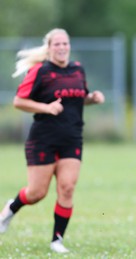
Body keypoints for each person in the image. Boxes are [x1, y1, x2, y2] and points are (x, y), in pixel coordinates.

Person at [0, 28, 105, 253]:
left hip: (72, 138)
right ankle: (10, 209)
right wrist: (46, 108)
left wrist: (92, 99)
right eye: (57, 44)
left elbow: (78, 98)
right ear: (49, 48)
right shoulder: (40, 71)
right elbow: (19, 101)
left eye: (65, 43)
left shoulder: (78, 69)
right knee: (36, 193)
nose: (62, 47)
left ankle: (57, 240)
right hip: (43, 139)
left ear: (69, 46)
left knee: (67, 188)